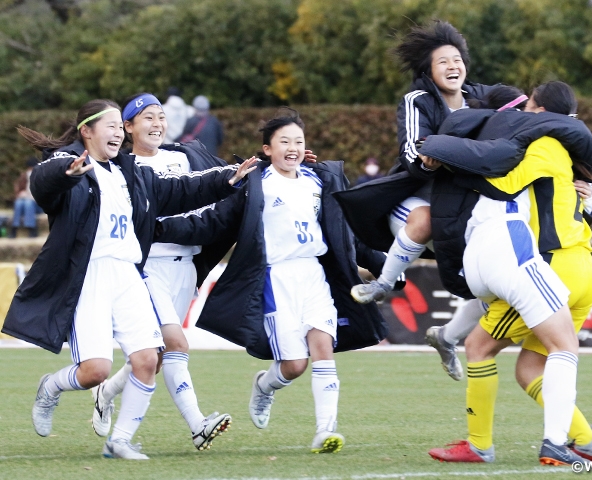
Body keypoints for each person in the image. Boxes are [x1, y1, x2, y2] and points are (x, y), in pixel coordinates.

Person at [0, 99, 255, 460]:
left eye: (121, 126)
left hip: (128, 273)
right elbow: (44, 180)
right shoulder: (68, 165)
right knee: (95, 372)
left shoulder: (130, 173)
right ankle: (51, 387)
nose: (119, 132)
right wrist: (66, 174)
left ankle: (119, 440)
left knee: (148, 359)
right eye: (111, 126)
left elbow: (182, 189)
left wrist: (228, 177)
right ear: (86, 131)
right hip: (91, 275)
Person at [153, 108, 388, 453]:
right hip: (277, 279)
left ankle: (326, 431)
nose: (292, 148)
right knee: (294, 365)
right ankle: (264, 387)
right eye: (284, 142)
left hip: (314, 276)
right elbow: (213, 222)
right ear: (267, 149)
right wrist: (156, 227)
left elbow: (347, 233)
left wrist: (385, 267)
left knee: (323, 347)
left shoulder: (318, 181)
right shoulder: (255, 186)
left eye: (298, 141)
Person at [418, 83, 592, 465]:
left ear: (540, 112)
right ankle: (587, 441)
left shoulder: (542, 145)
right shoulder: (571, 151)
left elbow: (496, 177)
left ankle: (481, 443)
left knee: (479, 347)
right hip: (584, 267)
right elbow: (581, 206)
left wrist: (443, 157)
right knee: (530, 367)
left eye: (529, 107)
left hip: (553, 264)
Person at [89, 93, 232, 452]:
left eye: (161, 117)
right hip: (147, 268)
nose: (157, 124)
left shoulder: (184, 156)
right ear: (128, 127)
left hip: (186, 268)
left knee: (153, 353)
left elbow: (221, 180)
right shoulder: (122, 167)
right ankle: (197, 424)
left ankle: (107, 391)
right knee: (175, 344)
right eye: (147, 118)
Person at [350, 20, 493, 304]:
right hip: (415, 198)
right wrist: (429, 161)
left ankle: (449, 336)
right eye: (443, 62)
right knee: (426, 220)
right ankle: (383, 283)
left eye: (457, 60)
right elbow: (414, 152)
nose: (453, 66)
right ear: (428, 71)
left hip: (462, 204)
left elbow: (523, 111)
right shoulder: (417, 100)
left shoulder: (483, 98)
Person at [9, 156, 39, 238]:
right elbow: (17, 191)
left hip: (37, 204)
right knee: (19, 203)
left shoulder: (41, 177)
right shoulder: (23, 177)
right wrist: (21, 194)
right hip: (25, 202)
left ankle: (31, 227)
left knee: (28, 203)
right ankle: (14, 227)